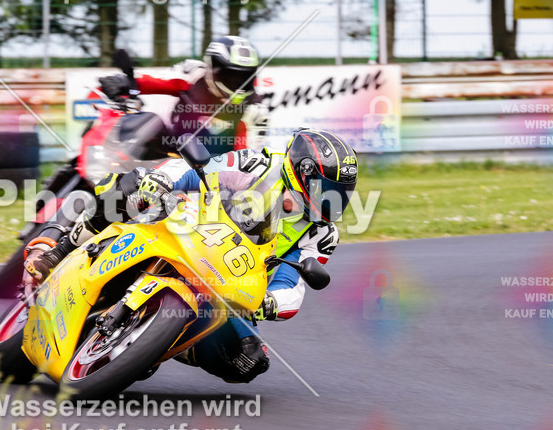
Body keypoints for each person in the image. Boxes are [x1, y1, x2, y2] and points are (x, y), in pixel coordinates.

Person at [23, 129, 358, 384]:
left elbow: (293, 284)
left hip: (225, 282)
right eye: (325, 191)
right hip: (186, 226)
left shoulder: (322, 234)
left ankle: (163, 342)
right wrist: (159, 184)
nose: (330, 203)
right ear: (302, 173)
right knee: (127, 187)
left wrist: (269, 302)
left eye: (339, 196)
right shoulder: (257, 165)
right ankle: (61, 247)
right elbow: (193, 170)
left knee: (249, 360)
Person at [98, 35, 265, 156]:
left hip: (215, 175)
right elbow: (152, 80)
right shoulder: (192, 74)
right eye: (231, 75)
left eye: (244, 77)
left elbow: (247, 159)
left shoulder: (255, 109)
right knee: (149, 122)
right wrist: (124, 82)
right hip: (168, 155)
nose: (237, 83)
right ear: (212, 69)